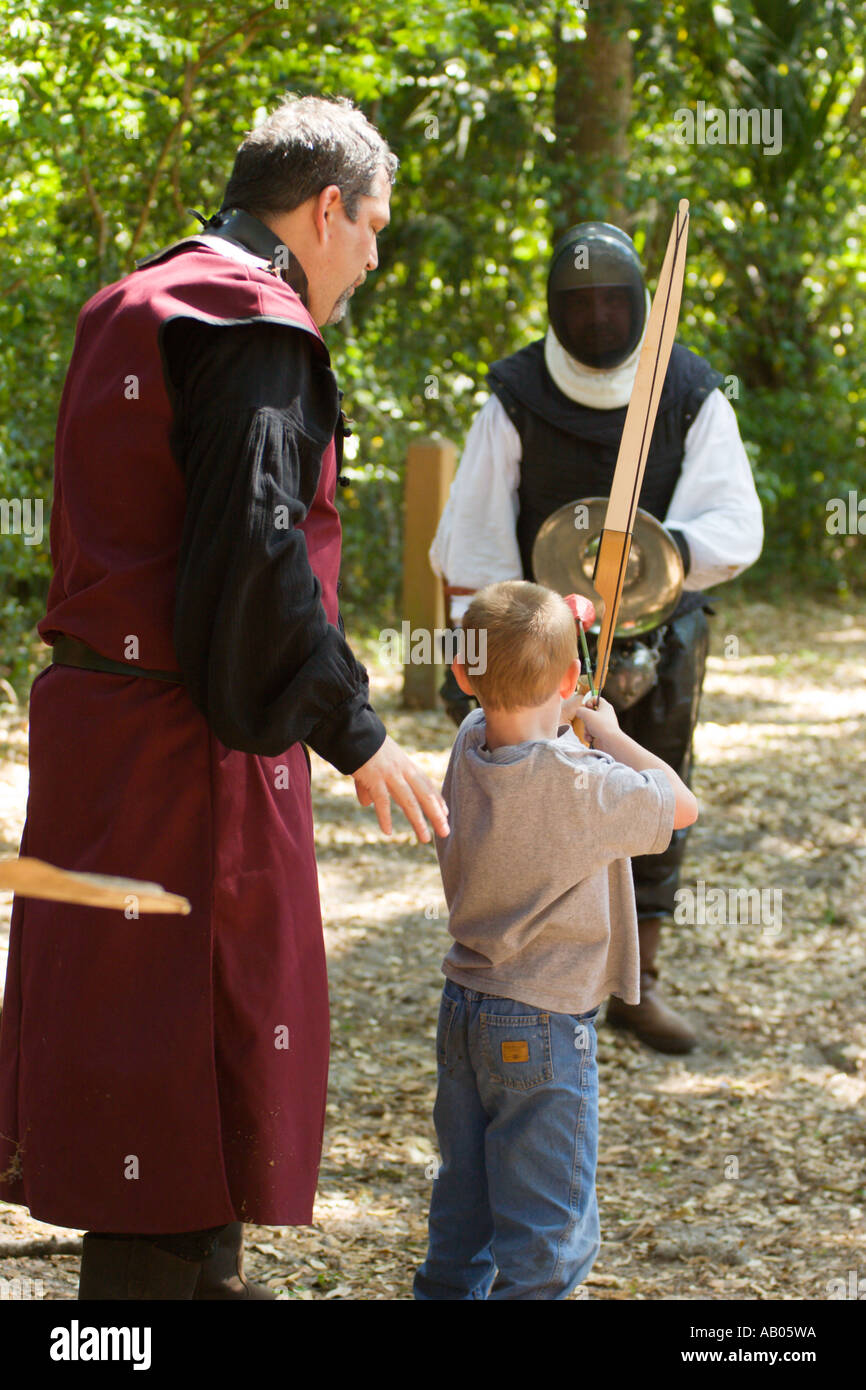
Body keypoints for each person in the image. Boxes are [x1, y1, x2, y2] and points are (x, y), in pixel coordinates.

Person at [0, 93, 448, 1301]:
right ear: (325, 209)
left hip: (102, 740)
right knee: (179, 1075)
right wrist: (357, 732)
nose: (371, 257)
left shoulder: (126, 302)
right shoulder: (252, 324)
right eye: (372, 228)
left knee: (154, 1079)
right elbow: (254, 555)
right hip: (174, 753)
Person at [429, 221, 762, 1053]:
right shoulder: (515, 393)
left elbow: (731, 516)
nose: (602, 317)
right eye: (584, 303)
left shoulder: (686, 387)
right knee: (526, 803)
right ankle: (523, 971)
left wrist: (663, 558)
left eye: (616, 299)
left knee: (653, 796)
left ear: (642, 300)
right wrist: (478, 652)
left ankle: (636, 987)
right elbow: (472, 540)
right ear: (556, 307)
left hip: (662, 632)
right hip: (534, 643)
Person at [413, 581, 698, 1300]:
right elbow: (680, 803)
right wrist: (607, 730)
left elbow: (519, 730)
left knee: (465, 1207)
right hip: (542, 1023)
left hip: (465, 1007)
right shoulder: (585, 784)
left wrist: (561, 713)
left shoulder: (468, 741)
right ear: (572, 680)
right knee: (546, 1234)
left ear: (461, 673)